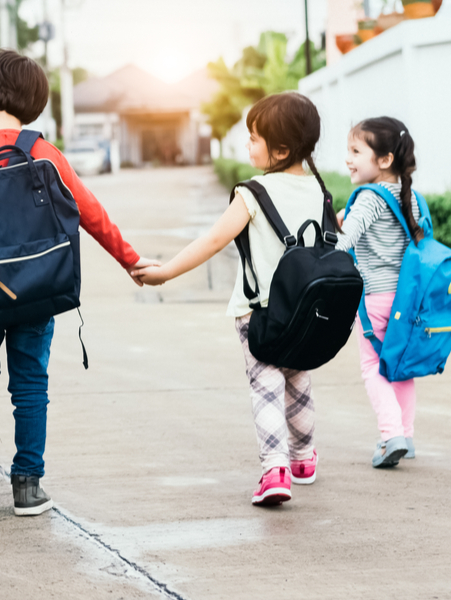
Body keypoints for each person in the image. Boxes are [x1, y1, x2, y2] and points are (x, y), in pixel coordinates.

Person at [0, 49, 155, 516]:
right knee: (30, 383)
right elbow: (90, 212)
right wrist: (130, 260)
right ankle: (28, 485)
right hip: (40, 291)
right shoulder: (45, 153)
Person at [135, 92, 341, 506]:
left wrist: (165, 272)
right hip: (305, 314)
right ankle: (302, 460)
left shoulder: (252, 193)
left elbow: (213, 241)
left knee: (265, 387)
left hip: (259, 315)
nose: (247, 145)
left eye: (254, 138)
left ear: (280, 149)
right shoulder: (320, 192)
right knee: (298, 384)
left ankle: (274, 469)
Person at [335, 117, 422, 468]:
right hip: (406, 299)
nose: (348, 159)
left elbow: (344, 245)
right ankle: (407, 436)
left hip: (374, 301)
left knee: (373, 367)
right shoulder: (410, 196)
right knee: (401, 369)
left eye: (356, 151)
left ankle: (391, 436)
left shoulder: (369, 198)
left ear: (384, 160)